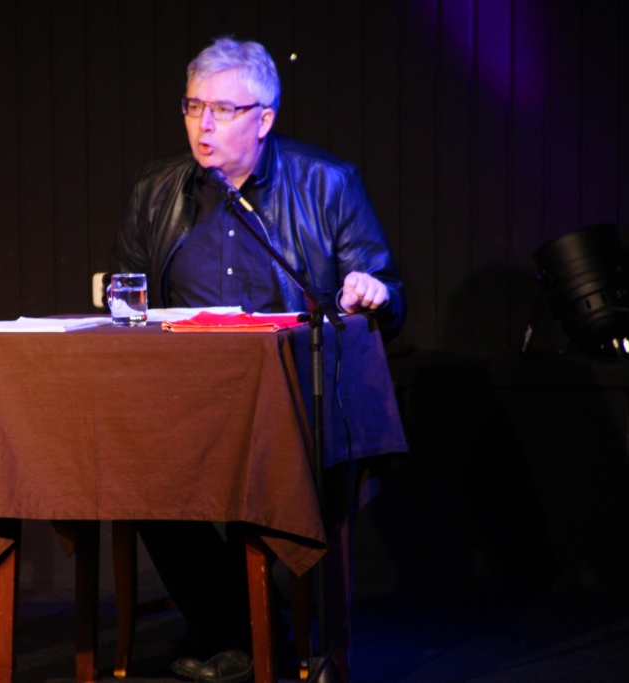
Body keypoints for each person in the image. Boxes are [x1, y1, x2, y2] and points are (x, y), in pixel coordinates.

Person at [112, 37, 405, 683]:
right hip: (183, 400)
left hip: (291, 397)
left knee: (268, 470)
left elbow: (383, 287)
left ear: (264, 118)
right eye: (193, 107)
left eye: (223, 109)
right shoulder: (156, 191)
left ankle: (249, 634)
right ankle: (246, 627)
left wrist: (371, 290)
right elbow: (127, 300)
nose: (204, 124)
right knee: (131, 472)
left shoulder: (327, 182)